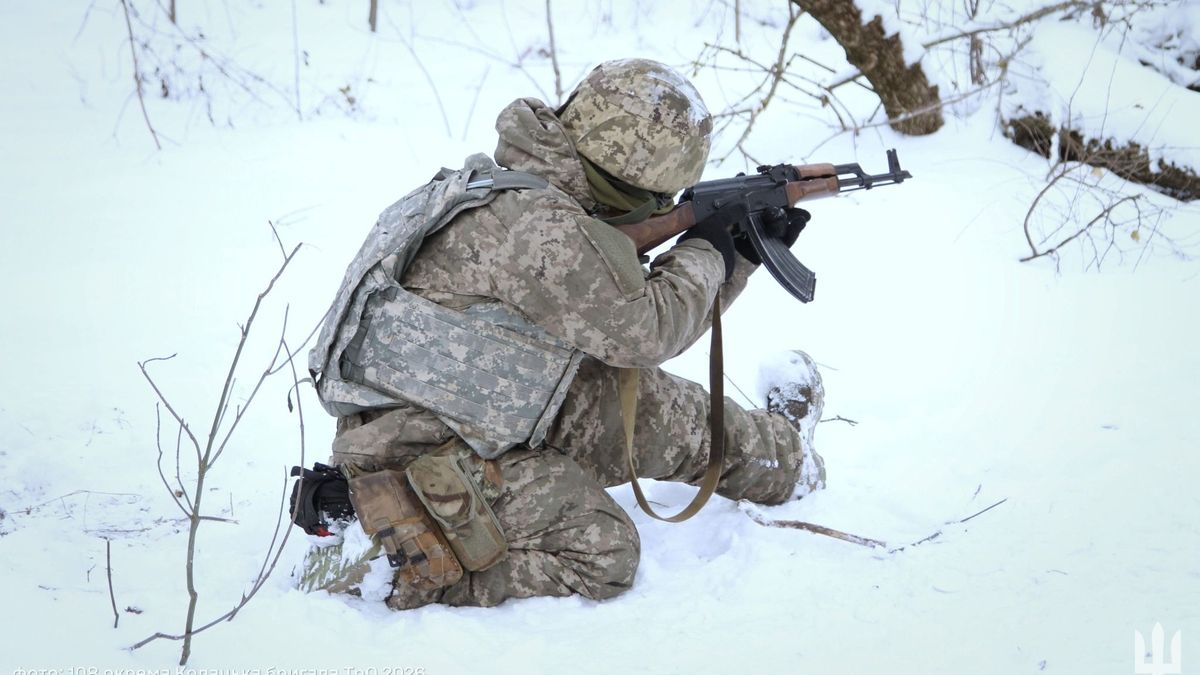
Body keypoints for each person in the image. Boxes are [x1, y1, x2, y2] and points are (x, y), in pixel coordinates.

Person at [298, 58, 826, 609]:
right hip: (425, 453)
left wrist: (735, 252)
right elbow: (646, 331)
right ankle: (395, 566)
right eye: (661, 200)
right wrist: (710, 250)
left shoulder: (515, 192)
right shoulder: (539, 227)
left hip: (488, 408)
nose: (666, 209)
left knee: (668, 415)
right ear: (633, 184)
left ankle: (784, 459)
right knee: (604, 553)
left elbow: (622, 324)